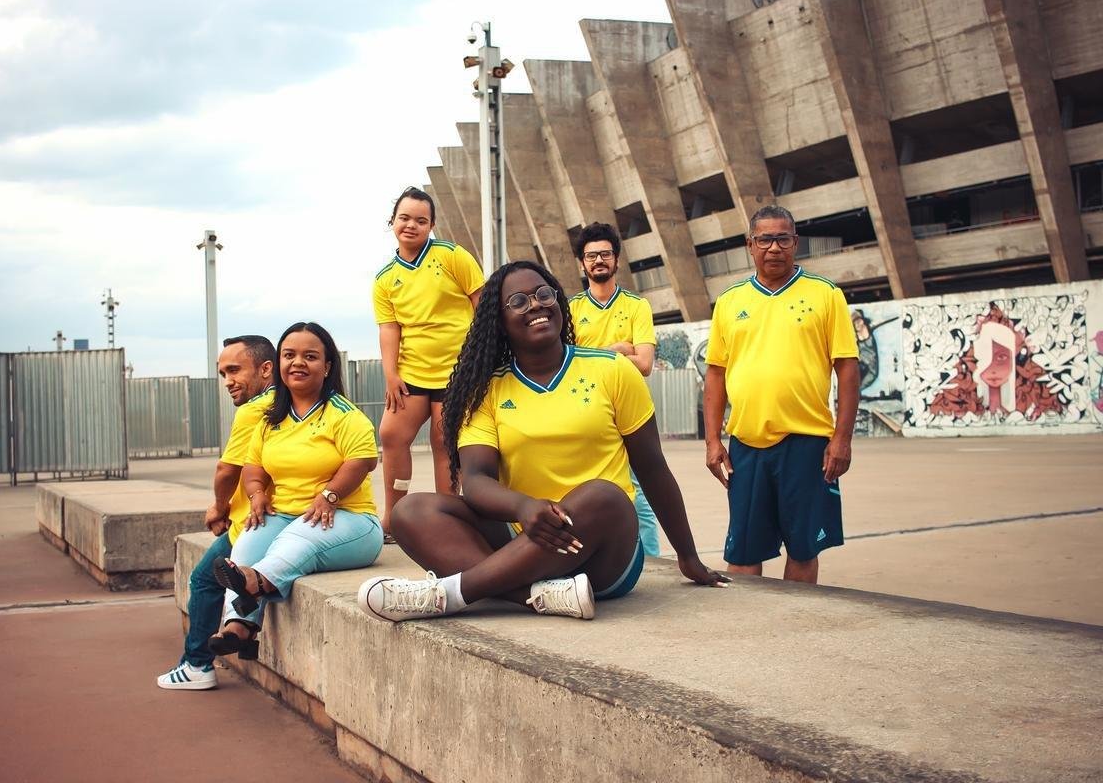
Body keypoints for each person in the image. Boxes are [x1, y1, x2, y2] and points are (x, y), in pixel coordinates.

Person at [357, 261, 728, 624]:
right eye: (518, 301)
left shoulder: (612, 370)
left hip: (600, 549)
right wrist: (524, 507)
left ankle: (448, 595)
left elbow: (652, 468)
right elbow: (475, 479)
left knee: (604, 495)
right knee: (411, 512)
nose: (534, 304)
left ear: (559, 303)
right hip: (524, 534)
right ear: (498, 321)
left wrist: (688, 555)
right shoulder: (486, 389)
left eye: (543, 294)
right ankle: (536, 597)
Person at [703, 204, 860, 585]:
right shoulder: (729, 301)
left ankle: (795, 630)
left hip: (807, 443)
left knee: (803, 548)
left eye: (782, 238)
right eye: (765, 239)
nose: (774, 247)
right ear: (750, 245)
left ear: (796, 243)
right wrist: (712, 441)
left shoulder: (826, 295)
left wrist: (841, 439)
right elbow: (716, 374)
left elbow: (848, 368)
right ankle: (744, 632)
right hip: (746, 444)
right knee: (742, 552)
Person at [208, 322, 383, 657]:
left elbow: (363, 460)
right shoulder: (269, 419)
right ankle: (239, 627)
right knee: (248, 541)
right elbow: (253, 467)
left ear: (327, 366)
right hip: (286, 514)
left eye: (310, 356)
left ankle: (254, 582)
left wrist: (329, 495)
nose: (298, 362)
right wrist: (257, 494)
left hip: (350, 521)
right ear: (279, 363)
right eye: (289, 355)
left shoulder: (344, 415)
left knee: (297, 537)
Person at [156, 334, 275, 690]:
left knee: (205, 579)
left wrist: (218, 507)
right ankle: (242, 632)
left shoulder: (254, 409)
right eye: (223, 373)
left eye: (235, 370)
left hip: (259, 519)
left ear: (266, 369)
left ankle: (196, 665)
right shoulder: (289, 403)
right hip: (285, 515)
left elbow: (228, 469)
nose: (228, 381)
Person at [372, 187, 484, 536]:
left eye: (421, 220)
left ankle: (447, 517)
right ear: (393, 221)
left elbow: (482, 304)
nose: (411, 225)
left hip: (456, 371)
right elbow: (390, 330)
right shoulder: (385, 278)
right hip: (412, 372)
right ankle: (394, 514)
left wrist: (481, 359)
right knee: (391, 434)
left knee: (443, 442)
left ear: (431, 225)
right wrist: (391, 374)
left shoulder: (453, 256)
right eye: (404, 218)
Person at [568, 221, 661, 556]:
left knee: (641, 494)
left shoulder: (637, 306)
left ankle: (651, 562)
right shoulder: (572, 309)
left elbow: (646, 363)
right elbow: (568, 363)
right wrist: (617, 351)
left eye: (605, 254)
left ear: (617, 259)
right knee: (586, 490)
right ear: (582, 263)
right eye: (591, 256)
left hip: (632, 412)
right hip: (586, 412)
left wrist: (596, 355)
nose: (598, 261)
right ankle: (596, 558)